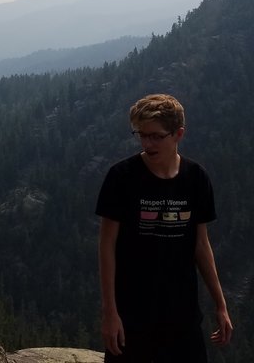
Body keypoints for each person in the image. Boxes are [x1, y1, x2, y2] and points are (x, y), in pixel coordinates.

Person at [96, 93, 233, 362]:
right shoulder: (121, 177)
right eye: (141, 134)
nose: (147, 143)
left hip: (182, 314)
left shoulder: (196, 178)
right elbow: (106, 246)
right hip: (132, 313)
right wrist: (110, 313)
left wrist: (221, 304)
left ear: (178, 134)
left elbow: (201, 244)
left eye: (156, 136)